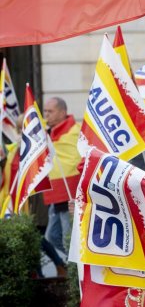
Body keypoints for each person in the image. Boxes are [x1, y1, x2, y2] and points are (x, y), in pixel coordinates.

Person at [43, 97, 81, 254]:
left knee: (68, 238)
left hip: (69, 194)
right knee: (52, 236)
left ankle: (74, 271)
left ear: (62, 112)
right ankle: (71, 264)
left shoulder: (76, 131)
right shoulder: (48, 133)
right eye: (45, 111)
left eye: (50, 111)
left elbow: (74, 159)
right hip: (55, 192)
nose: (46, 115)